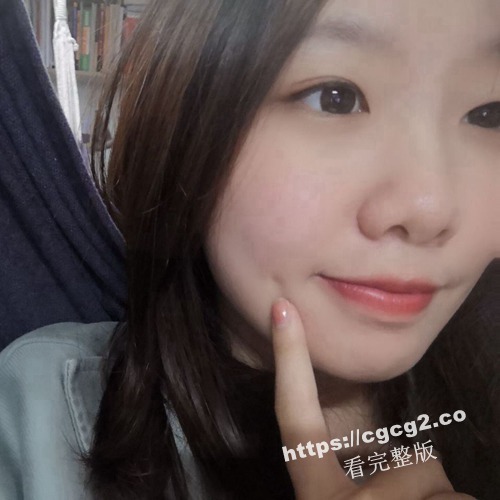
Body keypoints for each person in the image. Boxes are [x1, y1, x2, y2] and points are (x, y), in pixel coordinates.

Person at [0, 0, 499, 498]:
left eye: (489, 114)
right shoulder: (39, 415)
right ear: (186, 120)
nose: (428, 210)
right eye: (335, 98)